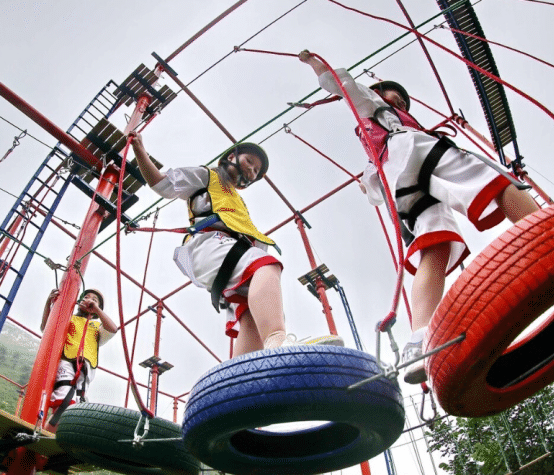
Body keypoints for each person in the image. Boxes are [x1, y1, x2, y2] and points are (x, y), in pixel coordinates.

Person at [299, 50, 539, 383]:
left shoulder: (371, 129)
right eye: (393, 96)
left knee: (434, 245)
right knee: (490, 178)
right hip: (413, 149)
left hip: (397, 179)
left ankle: (420, 338)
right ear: (379, 94)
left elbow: (372, 186)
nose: (399, 102)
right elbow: (345, 85)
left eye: (402, 101)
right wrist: (319, 66)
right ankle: (546, 234)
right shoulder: (372, 104)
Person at [128, 131, 343, 357]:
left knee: (251, 312)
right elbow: (162, 184)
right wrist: (139, 149)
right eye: (249, 162)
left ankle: (246, 374)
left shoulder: (238, 202)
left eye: (256, 171)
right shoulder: (208, 175)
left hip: (229, 251)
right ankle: (278, 342)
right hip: (210, 244)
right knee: (265, 265)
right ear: (231, 156)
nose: (251, 170)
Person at [41, 288, 117, 430]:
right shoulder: (70, 319)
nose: (90, 300)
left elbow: (113, 329)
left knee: (74, 407)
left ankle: (52, 433)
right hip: (68, 363)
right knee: (64, 403)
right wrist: (48, 304)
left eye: (94, 300)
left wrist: (96, 310)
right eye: (86, 297)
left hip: (86, 371)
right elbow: (46, 328)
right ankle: (47, 432)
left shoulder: (98, 327)